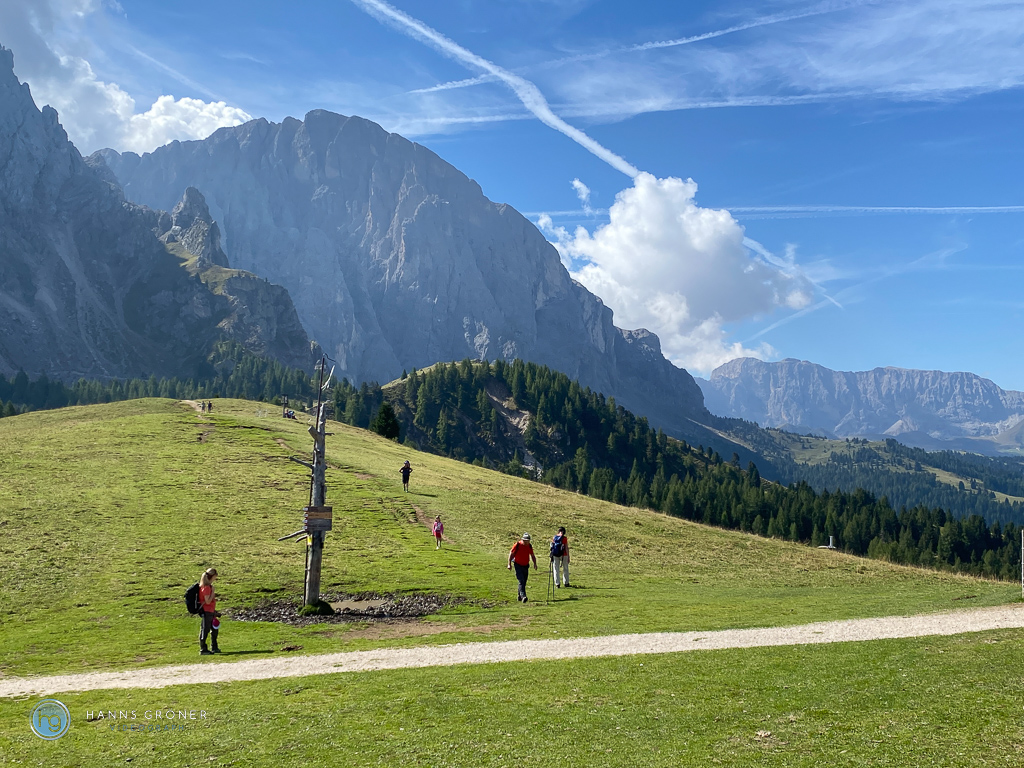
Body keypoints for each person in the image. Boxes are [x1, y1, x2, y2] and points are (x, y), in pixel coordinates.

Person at [507, 533, 537, 602]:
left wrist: (535, 564)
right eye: (525, 541)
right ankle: (523, 596)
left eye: (528, 541)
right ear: (522, 540)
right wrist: (509, 564)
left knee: (524, 581)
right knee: (521, 580)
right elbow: (511, 554)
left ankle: (519, 596)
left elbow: (532, 555)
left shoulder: (529, 546)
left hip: (526, 565)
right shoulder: (517, 545)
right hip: (518, 565)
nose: (526, 542)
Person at [198, 567, 221, 655]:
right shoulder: (207, 588)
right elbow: (207, 601)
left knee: (214, 629)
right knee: (205, 629)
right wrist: (213, 592)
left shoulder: (206, 587)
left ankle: (214, 646)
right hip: (207, 611)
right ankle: (203, 648)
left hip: (210, 611)